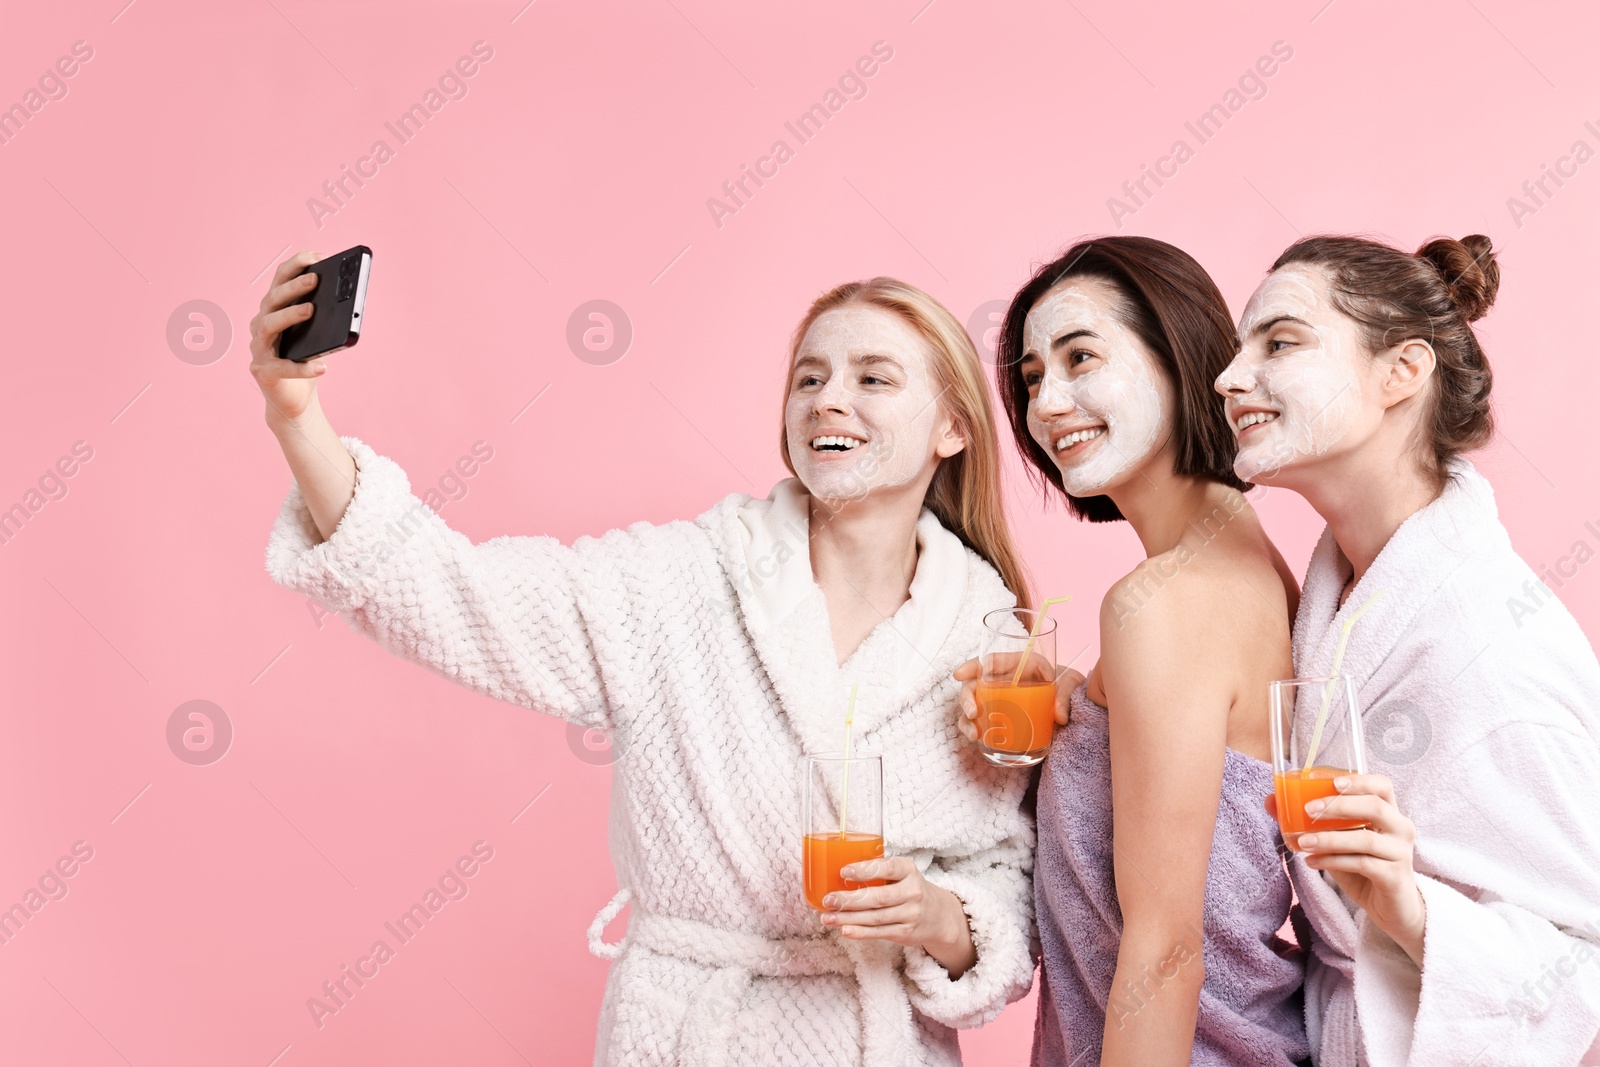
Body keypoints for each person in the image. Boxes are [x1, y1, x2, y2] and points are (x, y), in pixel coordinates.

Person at [250, 257, 1039, 1066]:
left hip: (880, 1043)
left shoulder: (989, 647)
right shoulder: (681, 581)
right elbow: (454, 595)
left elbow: (1010, 883)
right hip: (690, 1033)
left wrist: (942, 917)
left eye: (874, 378)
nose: (828, 398)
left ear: (954, 427)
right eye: (809, 378)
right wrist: (295, 414)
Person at [1216, 234, 1600, 1066]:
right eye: (1237, 349)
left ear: (1403, 371)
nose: (1230, 377)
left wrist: (1407, 906)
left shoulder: (1494, 638)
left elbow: (1586, 965)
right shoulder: (1342, 594)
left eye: (1279, 342)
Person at [960, 235, 1311, 1065]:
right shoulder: (1242, 556)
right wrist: (1079, 705)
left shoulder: (1160, 605)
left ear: (1180, 354)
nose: (1049, 402)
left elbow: (1164, 950)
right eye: (1034, 377)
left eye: (1082, 356)